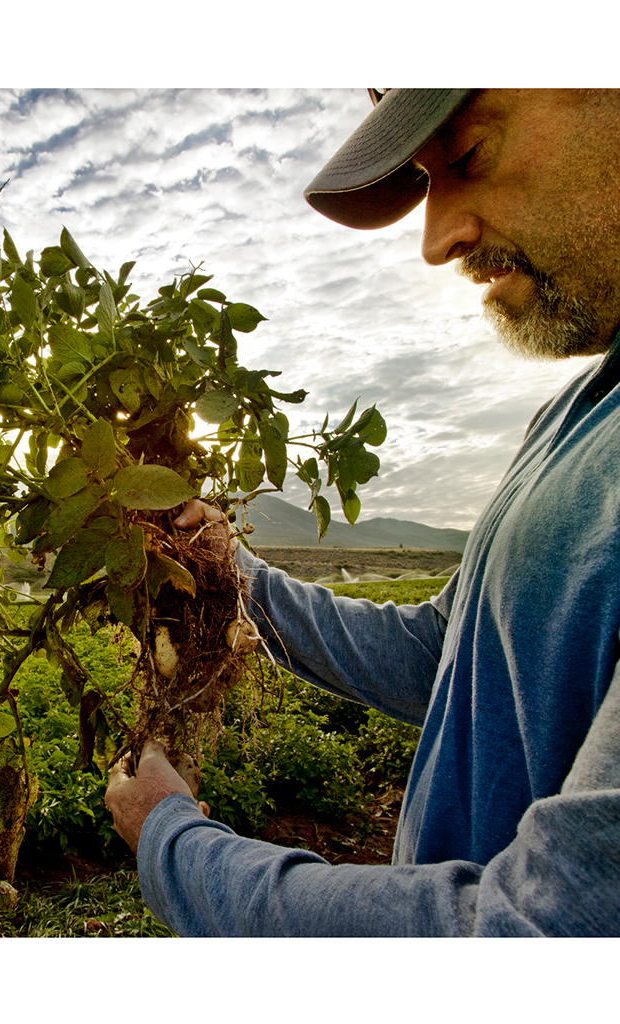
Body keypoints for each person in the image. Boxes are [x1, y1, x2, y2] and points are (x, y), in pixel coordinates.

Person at [104, 88, 620, 937]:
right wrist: (238, 577)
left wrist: (175, 846)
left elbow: (534, 933)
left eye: (469, 155)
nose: (436, 239)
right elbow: (446, 658)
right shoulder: (569, 417)